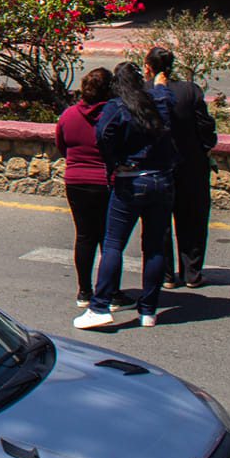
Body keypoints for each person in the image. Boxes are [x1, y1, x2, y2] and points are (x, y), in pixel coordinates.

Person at [75, 62, 176, 331]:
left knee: (113, 244)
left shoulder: (117, 107)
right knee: (154, 247)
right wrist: (160, 85)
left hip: (130, 181)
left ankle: (100, 306)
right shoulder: (157, 102)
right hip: (162, 180)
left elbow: (102, 135)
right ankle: (149, 310)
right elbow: (167, 97)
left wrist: (116, 160)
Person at [146, 44, 216, 288]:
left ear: (148, 68)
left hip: (158, 167)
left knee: (160, 222)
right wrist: (206, 147)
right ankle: (192, 273)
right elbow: (205, 125)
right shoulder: (190, 91)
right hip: (191, 166)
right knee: (193, 220)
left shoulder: (144, 92)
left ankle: (166, 275)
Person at [58, 67, 116, 303]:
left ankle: (84, 290)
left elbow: (62, 146)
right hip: (105, 182)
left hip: (76, 180)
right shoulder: (113, 115)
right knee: (107, 239)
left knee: (84, 236)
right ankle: (110, 291)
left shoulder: (69, 115)